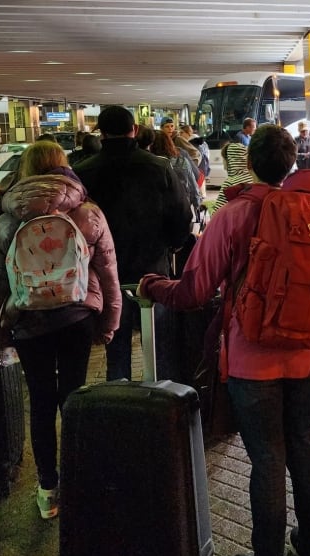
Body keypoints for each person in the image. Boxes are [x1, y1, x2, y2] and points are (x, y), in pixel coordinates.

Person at [137, 124, 310, 556]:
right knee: (305, 446)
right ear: (291, 163)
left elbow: (194, 291)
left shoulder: (235, 213)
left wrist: (152, 286)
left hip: (254, 358)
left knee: (268, 457)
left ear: (250, 163)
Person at [0, 140, 121, 520]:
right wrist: (109, 324)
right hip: (77, 318)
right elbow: (108, 275)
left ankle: (48, 489)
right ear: (63, 166)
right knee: (74, 397)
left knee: (41, 403)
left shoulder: (8, 221)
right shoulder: (88, 214)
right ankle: (80, 478)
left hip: (29, 323)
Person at [74, 106, 192, 381]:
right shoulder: (159, 166)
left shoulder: (83, 172)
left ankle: (120, 402)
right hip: (153, 270)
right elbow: (181, 216)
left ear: (101, 134)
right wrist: (172, 245)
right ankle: (162, 398)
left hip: (105, 274)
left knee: (115, 345)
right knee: (159, 344)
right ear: (135, 130)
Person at [214, 141, 252, 210]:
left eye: (224, 159)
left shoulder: (229, 183)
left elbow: (216, 213)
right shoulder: (253, 178)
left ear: (230, 161)